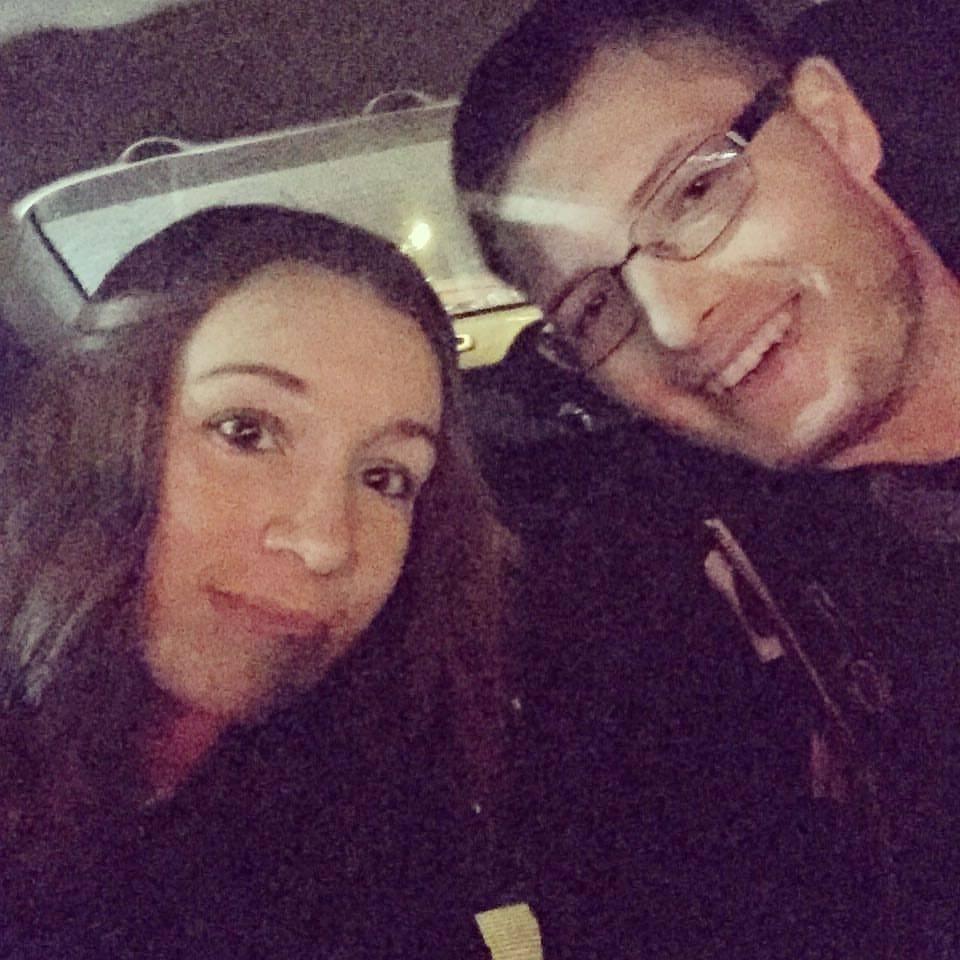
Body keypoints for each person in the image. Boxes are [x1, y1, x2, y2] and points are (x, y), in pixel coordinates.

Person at [452, 1, 960, 957]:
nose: (674, 323)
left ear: (835, 124)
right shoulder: (651, 632)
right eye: (594, 306)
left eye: (693, 192)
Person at [0, 204, 515, 959]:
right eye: (245, 431)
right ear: (88, 437)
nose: (324, 542)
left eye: (384, 477)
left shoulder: (383, 819)